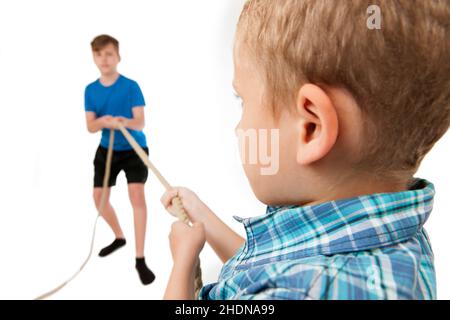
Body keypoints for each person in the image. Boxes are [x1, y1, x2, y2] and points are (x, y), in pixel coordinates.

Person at [161, 0, 450, 299]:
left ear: (311, 127)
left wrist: (183, 263)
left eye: (242, 101)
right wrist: (202, 217)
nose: (238, 128)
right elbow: (274, 271)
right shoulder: (394, 238)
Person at [84, 34, 155, 285]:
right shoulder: (90, 90)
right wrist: (104, 122)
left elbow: (140, 121)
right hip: (107, 150)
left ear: (118, 56)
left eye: (109, 53)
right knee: (99, 199)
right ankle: (119, 237)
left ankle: (140, 258)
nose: (104, 59)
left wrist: (123, 122)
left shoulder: (131, 86)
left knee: (137, 197)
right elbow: (91, 126)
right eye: (99, 54)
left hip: (134, 148)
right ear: (94, 57)